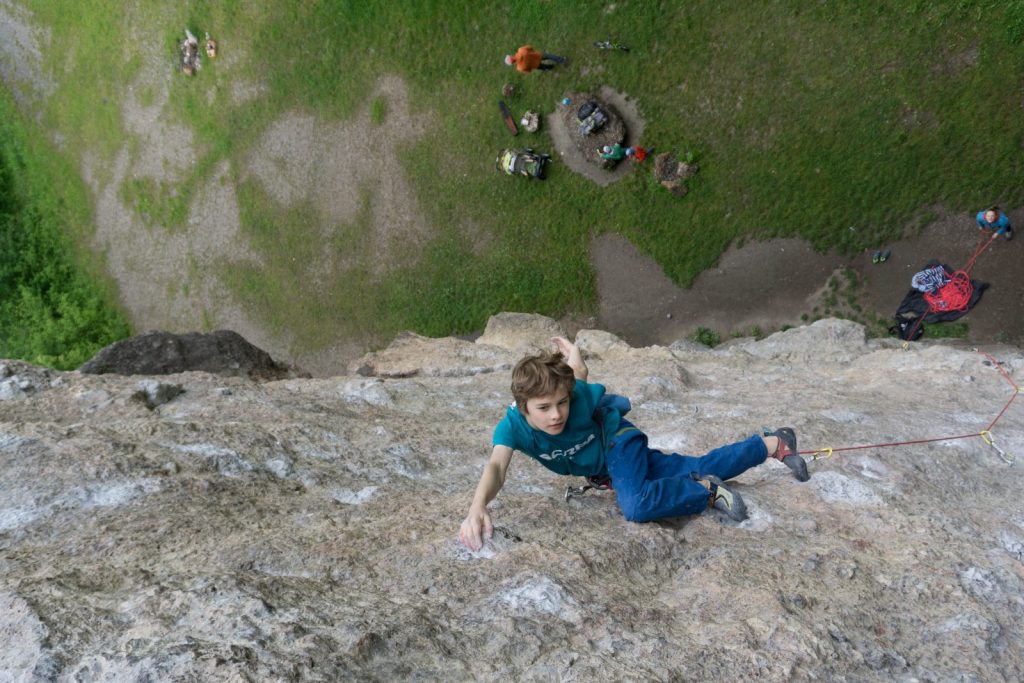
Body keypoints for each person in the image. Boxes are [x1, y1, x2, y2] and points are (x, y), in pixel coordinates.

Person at [458, 337, 810, 551]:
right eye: (544, 408)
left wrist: (578, 365)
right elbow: (496, 466)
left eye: (561, 403)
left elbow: (578, 380)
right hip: (607, 468)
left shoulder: (573, 397)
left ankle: (706, 493)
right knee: (697, 464)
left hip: (619, 442)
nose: (556, 414)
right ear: (523, 408)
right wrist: (477, 507)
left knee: (637, 505)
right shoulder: (513, 427)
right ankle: (771, 444)